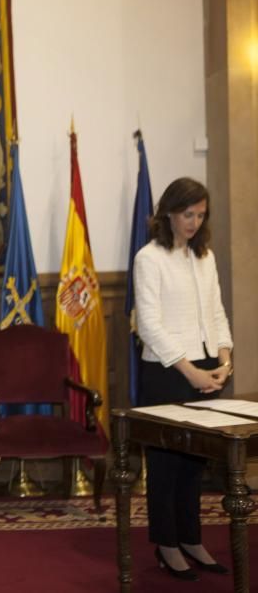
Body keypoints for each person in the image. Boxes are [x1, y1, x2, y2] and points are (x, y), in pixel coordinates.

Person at [133, 177, 233, 581]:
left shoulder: (203, 257)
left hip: (205, 366)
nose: (194, 222)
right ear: (169, 213)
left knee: (196, 463)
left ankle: (192, 539)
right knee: (166, 464)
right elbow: (150, 327)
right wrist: (191, 371)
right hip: (167, 372)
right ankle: (167, 545)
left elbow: (217, 313)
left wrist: (224, 358)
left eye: (201, 215)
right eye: (188, 214)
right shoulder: (149, 258)